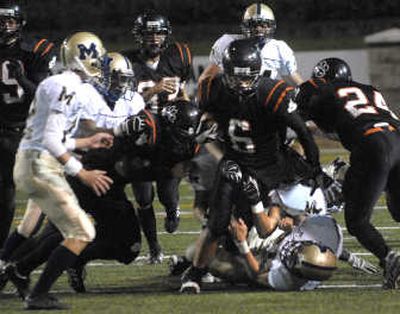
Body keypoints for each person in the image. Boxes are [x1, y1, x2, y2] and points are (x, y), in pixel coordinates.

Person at [180, 37, 322, 294]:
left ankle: (303, 261)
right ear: (225, 71)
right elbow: (203, 118)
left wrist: (314, 168)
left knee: (292, 216)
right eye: (237, 77)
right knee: (217, 223)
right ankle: (196, 273)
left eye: (248, 77)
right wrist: (204, 128)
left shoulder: (272, 91)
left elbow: (302, 130)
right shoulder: (212, 88)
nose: (243, 84)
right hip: (234, 163)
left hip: (271, 166)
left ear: (258, 72)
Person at [3, 31, 114, 310]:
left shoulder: (59, 83)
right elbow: (50, 140)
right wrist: (82, 172)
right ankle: (35, 293)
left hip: (33, 162)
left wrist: (87, 141)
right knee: (82, 232)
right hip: (39, 165)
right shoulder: (65, 86)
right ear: (85, 59)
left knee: (62, 229)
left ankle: (18, 272)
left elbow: (53, 135)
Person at [295, 57, 400, 289]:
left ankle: (390, 259)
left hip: (373, 147)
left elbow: (301, 127)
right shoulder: (370, 90)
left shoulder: (321, 91)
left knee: (357, 222)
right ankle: (345, 180)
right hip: (396, 138)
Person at [126, 12, 194, 263]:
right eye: (148, 33)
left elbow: (183, 92)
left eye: (159, 33)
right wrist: (153, 90)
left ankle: (173, 209)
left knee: (167, 193)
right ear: (139, 36)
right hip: (141, 138)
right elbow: (123, 106)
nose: (154, 38)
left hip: (169, 139)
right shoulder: (127, 63)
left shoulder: (177, 57)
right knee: (143, 198)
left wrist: (189, 115)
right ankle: (154, 248)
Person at [0, 1, 55, 249]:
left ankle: (27, 248)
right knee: (5, 195)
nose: (4, 26)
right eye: (1, 21)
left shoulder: (35, 51)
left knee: (41, 194)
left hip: (27, 130)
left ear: (20, 23)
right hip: (4, 131)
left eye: (9, 20)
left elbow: (43, 95)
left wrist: (22, 78)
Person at [199, 2, 302, 86]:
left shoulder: (279, 48)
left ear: (272, 27)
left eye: (264, 25)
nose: (259, 29)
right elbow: (205, 80)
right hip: (234, 101)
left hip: (263, 103)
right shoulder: (228, 43)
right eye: (254, 25)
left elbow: (296, 83)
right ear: (245, 26)